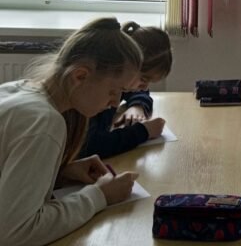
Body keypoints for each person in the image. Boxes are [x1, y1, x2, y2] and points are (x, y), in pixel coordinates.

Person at [0, 17, 141, 245]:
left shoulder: (18, 89)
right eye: (113, 91)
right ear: (80, 76)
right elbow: (15, 232)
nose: (115, 103)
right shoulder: (44, 123)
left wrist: (61, 173)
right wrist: (99, 196)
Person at [80, 22, 172, 159]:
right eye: (143, 79)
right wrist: (143, 131)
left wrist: (137, 105)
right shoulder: (91, 94)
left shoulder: (117, 80)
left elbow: (138, 91)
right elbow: (90, 146)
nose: (145, 87)